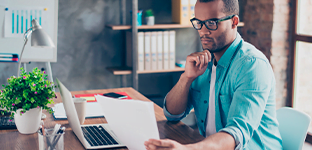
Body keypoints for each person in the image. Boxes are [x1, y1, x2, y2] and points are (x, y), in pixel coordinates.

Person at [144, 0, 283, 149]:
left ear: (234, 22)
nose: (203, 31)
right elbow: (172, 114)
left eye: (211, 23)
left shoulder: (252, 65)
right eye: (199, 22)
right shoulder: (204, 62)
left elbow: (236, 134)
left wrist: (188, 149)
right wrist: (187, 78)